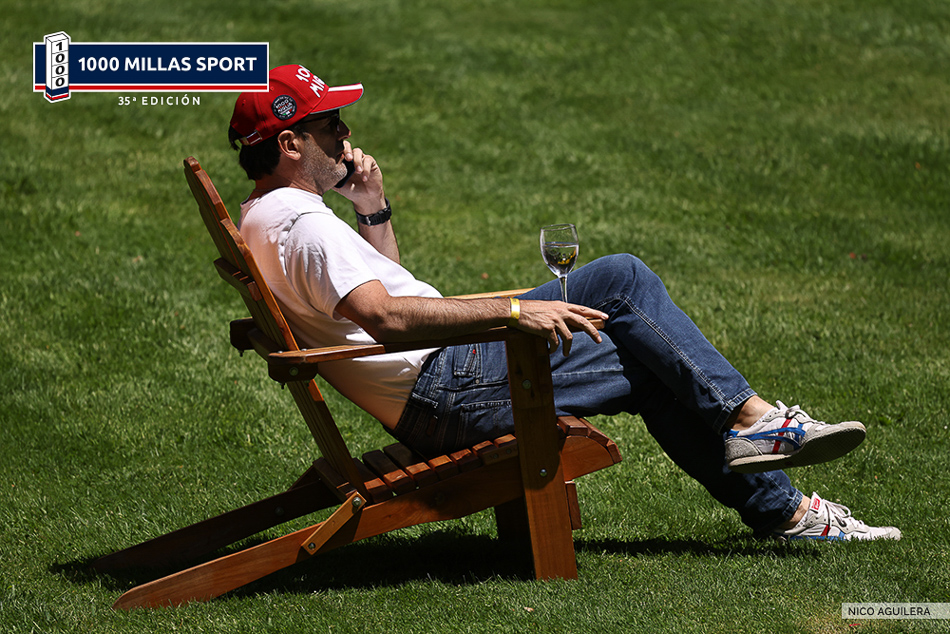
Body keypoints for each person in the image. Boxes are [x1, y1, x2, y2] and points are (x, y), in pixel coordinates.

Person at [226, 64, 900, 542]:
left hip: (432, 384)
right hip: (444, 388)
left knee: (649, 362)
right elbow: (387, 318)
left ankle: (786, 512)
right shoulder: (304, 225)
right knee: (622, 277)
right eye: (330, 126)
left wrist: (372, 206)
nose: (346, 134)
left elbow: (386, 289)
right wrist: (517, 312)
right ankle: (755, 423)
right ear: (289, 144)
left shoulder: (267, 216)